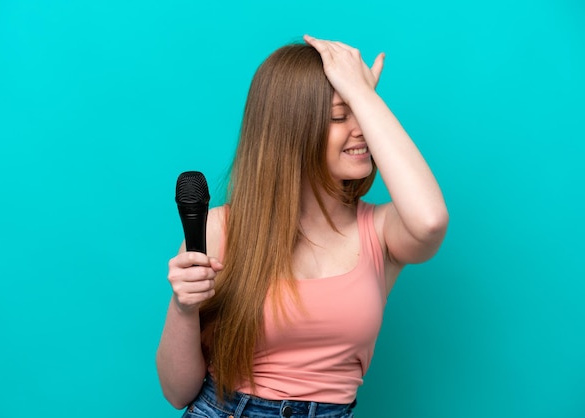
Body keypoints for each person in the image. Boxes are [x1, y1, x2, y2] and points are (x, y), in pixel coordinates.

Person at [156, 34, 449, 418]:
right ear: (292, 130)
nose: (361, 130)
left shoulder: (381, 231)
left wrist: (363, 95)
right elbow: (179, 392)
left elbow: (430, 221)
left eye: (364, 115)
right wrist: (183, 307)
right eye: (339, 116)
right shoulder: (219, 229)